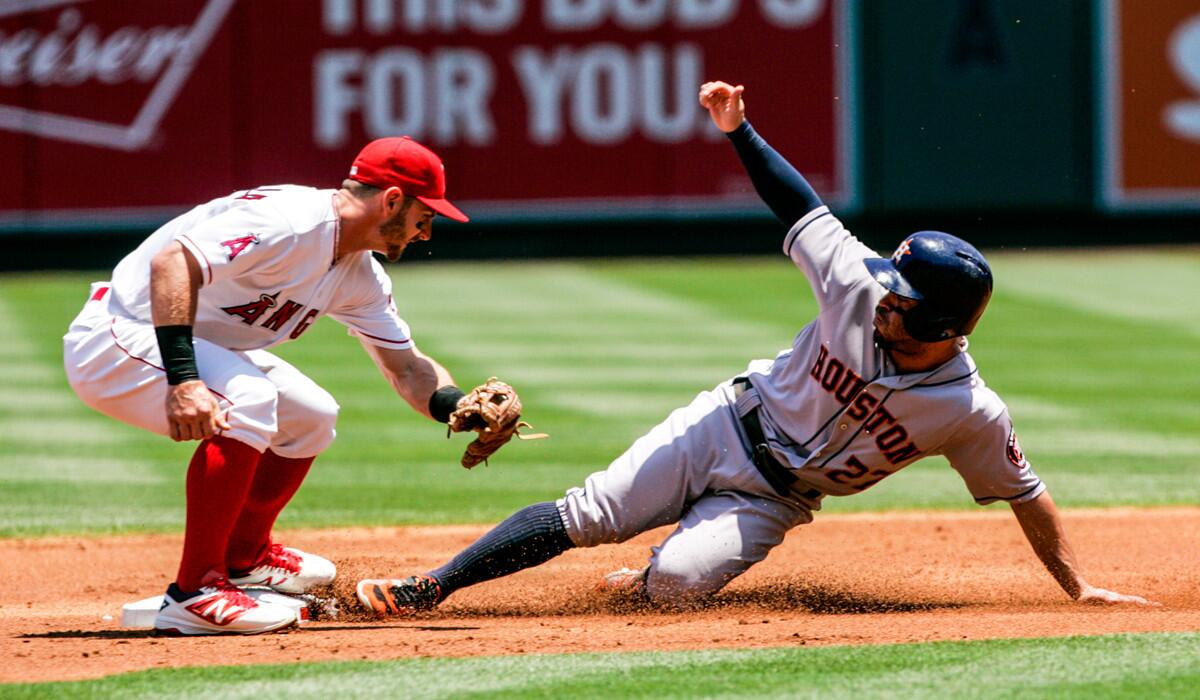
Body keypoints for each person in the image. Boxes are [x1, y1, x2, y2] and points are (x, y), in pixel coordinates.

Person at [355, 81, 1154, 616]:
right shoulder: (858, 283)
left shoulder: (967, 409)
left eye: (905, 304)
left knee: (672, 591)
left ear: (947, 330)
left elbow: (1025, 490)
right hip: (726, 425)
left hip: (771, 499)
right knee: (591, 511)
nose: (886, 303)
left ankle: (646, 580)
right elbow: (797, 203)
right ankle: (428, 588)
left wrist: (1078, 588)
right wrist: (739, 130)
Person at [63, 137, 525, 635]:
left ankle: (245, 559)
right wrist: (184, 379)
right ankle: (195, 590)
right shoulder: (289, 222)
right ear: (392, 200)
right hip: (119, 333)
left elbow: (407, 368)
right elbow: (172, 263)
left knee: (311, 414)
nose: (426, 231)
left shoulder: (358, 275)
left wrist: (458, 407)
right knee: (250, 398)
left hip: (190, 342)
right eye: (423, 215)